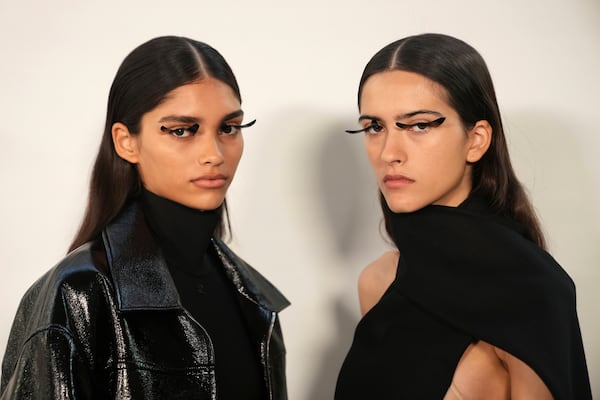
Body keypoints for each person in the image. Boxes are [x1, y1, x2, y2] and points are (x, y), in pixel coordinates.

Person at [0, 36, 289, 400]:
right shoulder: (79, 293)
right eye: (182, 130)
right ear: (126, 142)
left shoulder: (252, 298)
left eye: (228, 128)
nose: (214, 153)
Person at [335, 33, 591, 399]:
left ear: (476, 140)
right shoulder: (377, 281)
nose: (389, 152)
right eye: (375, 127)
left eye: (419, 124)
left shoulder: (532, 290)